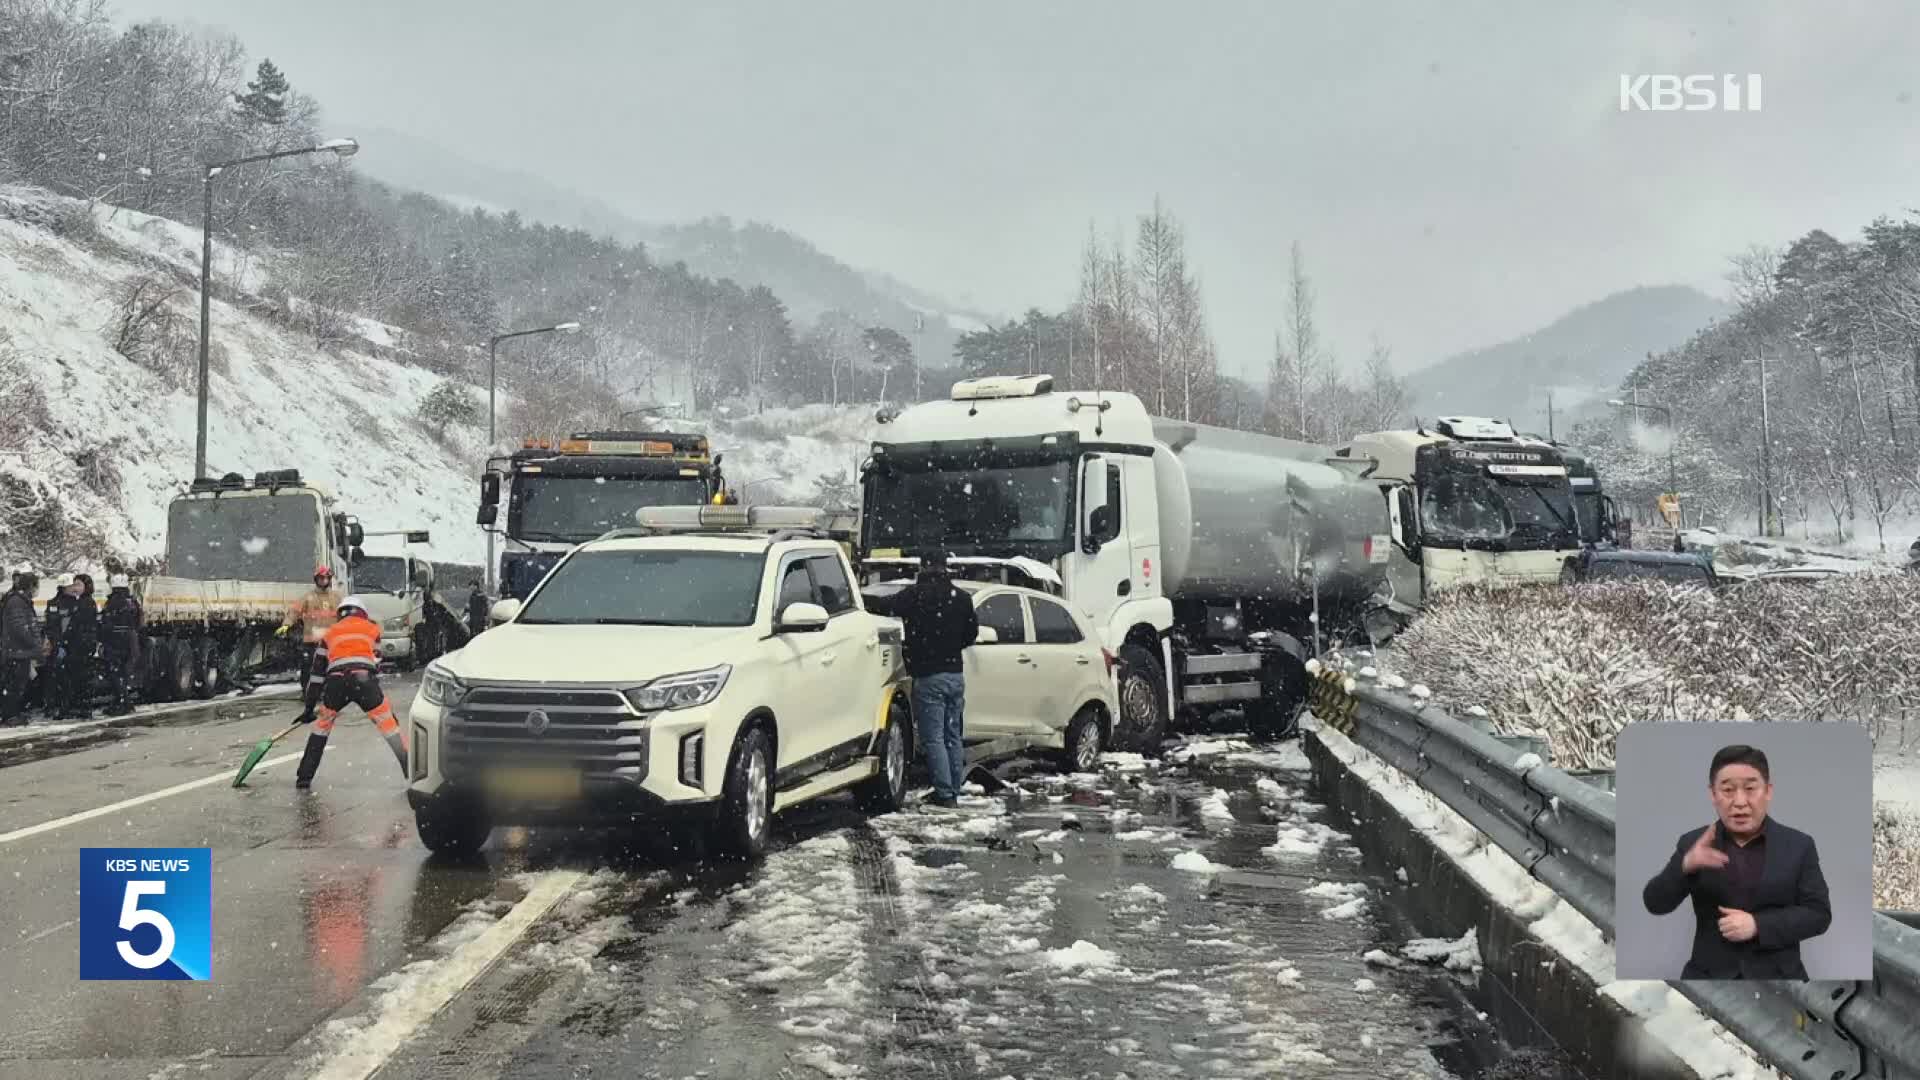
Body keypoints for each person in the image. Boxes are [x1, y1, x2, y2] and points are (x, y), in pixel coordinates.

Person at [1642, 744, 1832, 980]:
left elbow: (1819, 915)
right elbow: (1655, 903)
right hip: (1709, 979)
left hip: (1780, 982)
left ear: (1768, 791)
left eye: (1751, 788)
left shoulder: (1799, 845)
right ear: (1713, 794)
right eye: (1728, 790)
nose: (1740, 802)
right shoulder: (1694, 843)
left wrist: (1758, 925)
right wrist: (1685, 866)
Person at [865, 551, 979, 808]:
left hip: (929, 676)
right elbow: (971, 634)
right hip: (955, 675)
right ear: (945, 567)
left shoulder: (915, 596)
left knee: (933, 737)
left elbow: (884, 606)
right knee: (952, 735)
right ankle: (954, 787)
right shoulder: (961, 598)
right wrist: (950, 646)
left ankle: (945, 794)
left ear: (923, 567)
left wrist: (857, 597)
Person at [293, 595, 408, 789]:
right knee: (389, 725)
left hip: (335, 683)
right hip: (364, 680)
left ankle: (304, 777)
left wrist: (309, 708)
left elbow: (317, 676)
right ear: (362, 613)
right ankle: (410, 768)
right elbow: (376, 660)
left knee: (322, 728)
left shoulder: (329, 633)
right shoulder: (372, 629)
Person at [278, 565, 343, 724]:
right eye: (321, 578)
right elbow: (294, 612)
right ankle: (307, 694)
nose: (324, 581)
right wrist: (286, 624)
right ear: (316, 580)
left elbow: (345, 614)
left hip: (330, 642)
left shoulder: (337, 598)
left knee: (331, 669)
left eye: (326, 578)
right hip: (311, 642)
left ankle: (328, 694)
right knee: (309, 669)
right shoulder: (308, 598)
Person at [2, 570, 45, 725]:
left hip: (19, 651)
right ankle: (10, 715)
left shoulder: (19, 600)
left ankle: (12, 713)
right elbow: (20, 627)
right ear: (31, 586)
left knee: (16, 684)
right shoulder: (17, 601)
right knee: (14, 685)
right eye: (36, 586)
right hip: (17, 652)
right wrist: (34, 643)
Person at [57, 573, 100, 720]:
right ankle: (79, 706)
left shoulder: (86, 602)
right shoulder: (80, 601)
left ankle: (83, 708)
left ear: (86, 587)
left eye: (79, 584)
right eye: (74, 584)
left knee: (81, 677)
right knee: (76, 677)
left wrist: (68, 638)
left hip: (82, 645)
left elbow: (78, 625)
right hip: (78, 644)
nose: (75, 587)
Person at [100, 574, 143, 716]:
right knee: (124, 671)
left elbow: (106, 623)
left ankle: (124, 702)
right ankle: (123, 701)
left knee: (115, 671)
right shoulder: (132, 601)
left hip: (116, 639)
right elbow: (139, 621)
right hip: (131, 638)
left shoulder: (113, 602)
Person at [39, 574, 79, 718]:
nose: (74, 588)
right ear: (65, 587)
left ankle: (50, 706)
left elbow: (49, 626)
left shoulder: (53, 603)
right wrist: (61, 644)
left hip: (57, 646)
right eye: (71, 586)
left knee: (52, 677)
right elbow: (57, 627)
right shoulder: (72, 603)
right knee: (64, 678)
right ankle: (63, 707)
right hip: (64, 646)